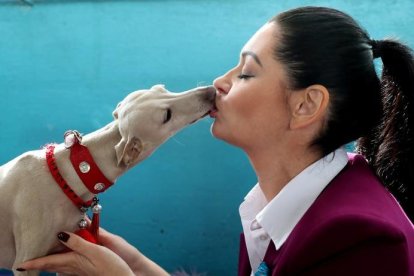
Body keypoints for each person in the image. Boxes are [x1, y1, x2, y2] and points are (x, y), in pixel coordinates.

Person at [17, 6, 414, 276]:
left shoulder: (362, 238)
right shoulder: (280, 202)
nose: (218, 83)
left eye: (245, 73)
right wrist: (137, 264)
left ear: (306, 104)